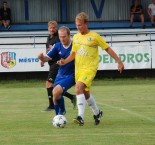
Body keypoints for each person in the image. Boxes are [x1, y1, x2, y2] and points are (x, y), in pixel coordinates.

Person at [57, 12, 124, 126]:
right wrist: (64, 61)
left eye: (80, 25)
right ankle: (97, 113)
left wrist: (118, 61)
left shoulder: (94, 36)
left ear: (86, 24)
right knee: (85, 93)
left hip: (89, 69)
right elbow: (73, 54)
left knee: (78, 88)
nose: (78, 27)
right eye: (77, 25)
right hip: (79, 69)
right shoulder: (76, 37)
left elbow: (107, 49)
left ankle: (80, 117)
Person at [38, 26, 75, 115]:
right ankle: (59, 115)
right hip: (60, 74)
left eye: (64, 36)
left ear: (69, 35)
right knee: (56, 96)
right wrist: (42, 58)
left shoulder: (75, 45)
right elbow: (47, 58)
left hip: (72, 75)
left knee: (56, 91)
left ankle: (59, 115)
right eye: (60, 36)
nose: (62, 39)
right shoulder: (57, 46)